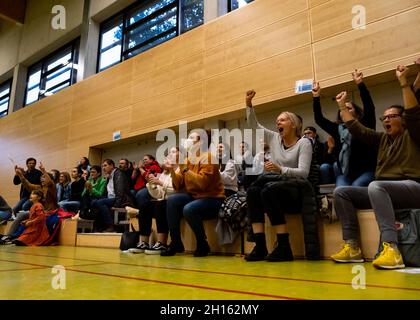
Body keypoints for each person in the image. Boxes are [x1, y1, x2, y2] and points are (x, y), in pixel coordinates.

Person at [330, 65, 420, 269]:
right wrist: (343, 107)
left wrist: (404, 83)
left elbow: (414, 112)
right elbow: (356, 128)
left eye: (392, 116)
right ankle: (353, 247)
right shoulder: (382, 140)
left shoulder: (413, 134)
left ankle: (392, 249)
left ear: (403, 121)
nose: (386, 120)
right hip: (386, 191)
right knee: (341, 192)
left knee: (376, 185)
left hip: (414, 188)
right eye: (384, 117)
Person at [244, 89, 317, 262]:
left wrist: (280, 169)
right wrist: (248, 104)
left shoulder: (304, 143)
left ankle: (284, 247)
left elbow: (304, 173)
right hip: (275, 186)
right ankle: (260, 246)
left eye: (282, 120)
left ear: (293, 124)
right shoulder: (274, 138)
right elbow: (254, 126)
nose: (278, 123)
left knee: (268, 190)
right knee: (253, 191)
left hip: (296, 189)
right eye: (277, 121)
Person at [161, 130, 225, 257]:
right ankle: (175, 242)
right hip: (195, 197)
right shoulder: (188, 159)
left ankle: (202, 243)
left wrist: (184, 169)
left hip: (213, 198)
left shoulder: (208, 158)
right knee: (172, 201)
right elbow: (178, 185)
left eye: (191, 137)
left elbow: (202, 184)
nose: (187, 140)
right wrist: (173, 169)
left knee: (189, 208)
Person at [311, 69, 377, 187]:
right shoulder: (338, 129)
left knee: (355, 187)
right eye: (342, 108)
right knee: (340, 190)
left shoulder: (365, 124)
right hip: (347, 174)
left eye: (349, 108)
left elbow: (369, 106)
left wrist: (360, 84)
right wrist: (316, 96)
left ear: (357, 113)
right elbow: (319, 119)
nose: (345, 110)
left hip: (367, 171)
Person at [127, 149, 179, 255]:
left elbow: (177, 189)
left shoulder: (179, 170)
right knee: (145, 206)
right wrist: (152, 184)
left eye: (172, 153)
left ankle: (162, 242)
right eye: (167, 155)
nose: (167, 157)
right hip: (165, 201)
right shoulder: (165, 173)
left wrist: (160, 182)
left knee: (160, 205)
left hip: (175, 202)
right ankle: (144, 242)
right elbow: (158, 194)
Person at [1, 162, 58, 243]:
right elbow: (27, 185)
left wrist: (43, 171)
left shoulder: (52, 188)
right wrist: (20, 175)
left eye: (44, 177)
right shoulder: (39, 187)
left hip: (49, 212)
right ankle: (9, 236)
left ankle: (17, 237)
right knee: (22, 214)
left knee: (30, 216)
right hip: (39, 212)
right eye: (41, 177)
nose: (42, 178)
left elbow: (50, 182)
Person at [91, 159, 134, 232]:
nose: (103, 168)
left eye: (105, 165)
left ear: (111, 166)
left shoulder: (118, 174)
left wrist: (116, 205)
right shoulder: (109, 176)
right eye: (102, 166)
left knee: (100, 202)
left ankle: (110, 226)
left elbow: (120, 192)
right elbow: (106, 192)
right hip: (110, 199)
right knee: (94, 202)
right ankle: (99, 227)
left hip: (120, 199)